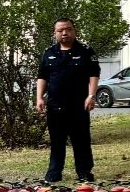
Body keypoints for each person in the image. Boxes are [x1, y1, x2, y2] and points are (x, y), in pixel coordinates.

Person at [36, 18, 101, 182]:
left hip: (79, 105)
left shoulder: (85, 51)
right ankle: (54, 172)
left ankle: (84, 172)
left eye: (68, 29)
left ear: (74, 31)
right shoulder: (49, 53)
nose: (65, 33)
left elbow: (94, 74)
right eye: (60, 30)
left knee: (81, 140)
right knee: (56, 141)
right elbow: (42, 77)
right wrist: (39, 98)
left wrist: (91, 95)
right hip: (55, 105)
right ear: (55, 33)